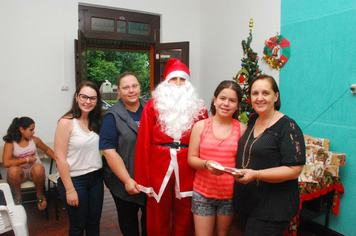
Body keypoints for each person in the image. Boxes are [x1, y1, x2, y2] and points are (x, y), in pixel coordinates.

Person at [134, 58, 208, 236]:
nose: (178, 83)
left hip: (188, 166)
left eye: (182, 80)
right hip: (159, 165)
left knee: (185, 213)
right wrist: (144, 180)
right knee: (157, 212)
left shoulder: (200, 108)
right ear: (166, 82)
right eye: (173, 79)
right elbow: (143, 143)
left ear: (188, 83)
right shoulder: (152, 106)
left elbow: (204, 143)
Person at [233, 74, 306, 236]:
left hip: (272, 206)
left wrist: (256, 174)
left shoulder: (288, 126)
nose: (259, 98)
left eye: (265, 93)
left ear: (276, 96)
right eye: (255, 93)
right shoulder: (253, 120)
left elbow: (294, 169)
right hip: (250, 201)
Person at [187, 80, 247, 236]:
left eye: (232, 100)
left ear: (238, 105)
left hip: (229, 196)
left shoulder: (242, 129)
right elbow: (191, 159)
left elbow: (244, 164)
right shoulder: (200, 126)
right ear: (215, 100)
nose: (226, 104)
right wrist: (206, 164)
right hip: (202, 194)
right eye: (222, 98)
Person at [99, 72, 147, 236]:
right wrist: (127, 179)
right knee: (129, 223)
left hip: (148, 179)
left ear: (140, 87)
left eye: (134, 86)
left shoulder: (150, 109)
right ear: (118, 91)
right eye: (126, 87)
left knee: (150, 222)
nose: (131, 90)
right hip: (122, 180)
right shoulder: (111, 117)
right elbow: (108, 151)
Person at [54, 81, 103, 236]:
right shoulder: (66, 122)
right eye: (84, 97)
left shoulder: (97, 121)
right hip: (74, 180)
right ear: (76, 97)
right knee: (78, 225)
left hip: (95, 179)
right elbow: (59, 158)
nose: (88, 101)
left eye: (92, 98)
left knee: (94, 223)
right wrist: (70, 190)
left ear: (97, 101)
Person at [2, 116, 54, 210]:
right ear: (21, 129)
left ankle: (39, 195)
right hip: (20, 173)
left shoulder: (34, 140)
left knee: (39, 168)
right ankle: (18, 199)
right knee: (12, 171)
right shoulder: (10, 143)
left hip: (34, 171)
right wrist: (26, 160)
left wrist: (59, 160)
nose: (33, 132)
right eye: (31, 130)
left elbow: (46, 149)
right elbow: (6, 163)